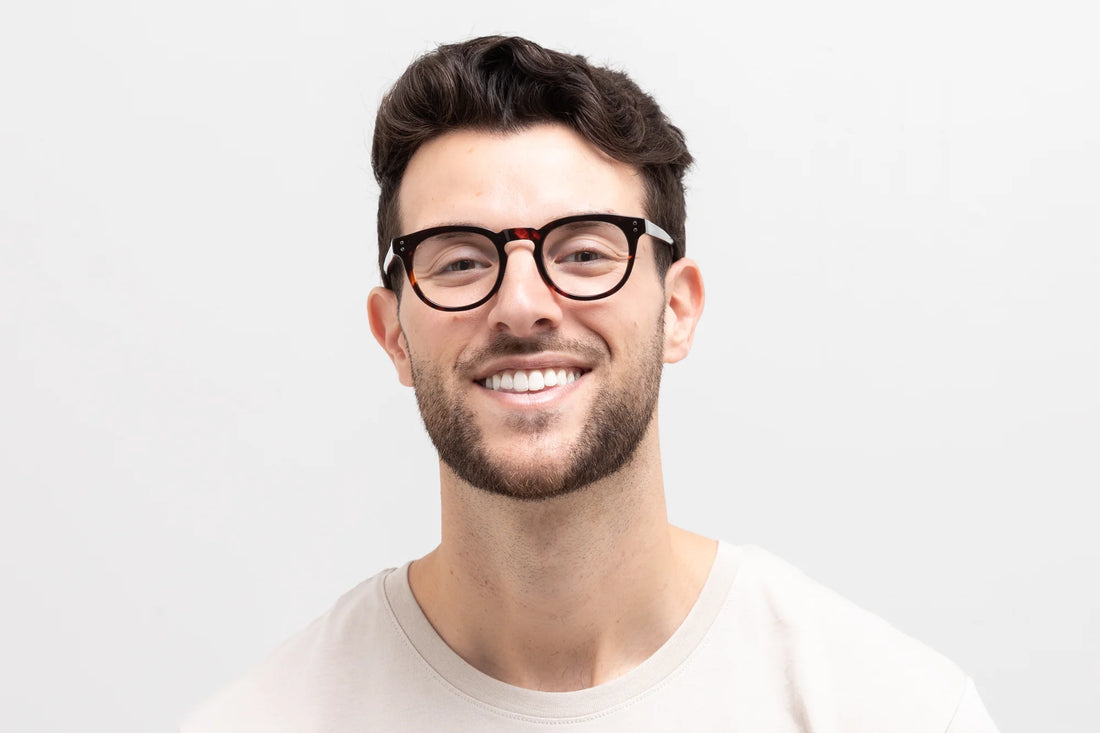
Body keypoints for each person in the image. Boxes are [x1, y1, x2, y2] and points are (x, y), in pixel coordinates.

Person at [183, 35, 1000, 731]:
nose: (522, 304)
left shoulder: (896, 709)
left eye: (584, 252)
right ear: (394, 332)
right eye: (460, 261)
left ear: (677, 310)